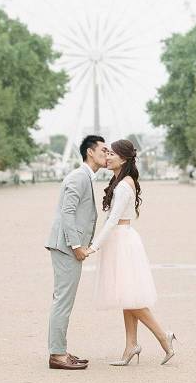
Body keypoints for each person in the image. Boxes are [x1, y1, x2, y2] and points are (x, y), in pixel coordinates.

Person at [87, 139, 177, 366]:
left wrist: (95, 245)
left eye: (112, 155)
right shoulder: (120, 180)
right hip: (120, 239)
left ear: (124, 159)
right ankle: (131, 345)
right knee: (127, 295)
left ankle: (162, 336)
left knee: (132, 297)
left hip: (122, 240)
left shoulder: (125, 184)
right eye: (107, 154)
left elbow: (113, 219)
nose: (107, 158)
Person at [44, 135, 108, 370]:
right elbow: (67, 213)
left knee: (63, 300)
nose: (107, 153)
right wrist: (76, 246)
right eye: (103, 149)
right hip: (65, 247)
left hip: (65, 245)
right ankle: (57, 355)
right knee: (63, 301)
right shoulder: (79, 177)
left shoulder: (85, 177)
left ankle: (59, 350)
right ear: (90, 152)